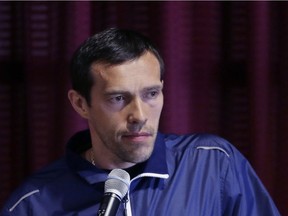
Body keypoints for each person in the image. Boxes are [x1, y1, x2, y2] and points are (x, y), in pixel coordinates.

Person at [1, 28, 280, 216]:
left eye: (151, 94)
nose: (140, 115)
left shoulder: (213, 163)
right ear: (80, 104)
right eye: (118, 98)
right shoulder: (32, 204)